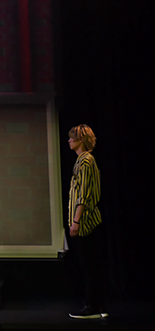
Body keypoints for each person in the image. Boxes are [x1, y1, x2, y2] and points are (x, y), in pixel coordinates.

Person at [66, 124, 107, 319]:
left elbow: (84, 194)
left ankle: (93, 306)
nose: (69, 141)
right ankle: (95, 305)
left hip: (86, 221)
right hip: (85, 220)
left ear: (81, 140)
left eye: (72, 138)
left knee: (89, 265)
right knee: (89, 264)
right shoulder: (83, 161)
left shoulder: (85, 162)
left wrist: (76, 221)